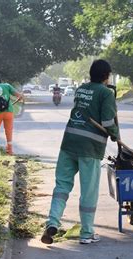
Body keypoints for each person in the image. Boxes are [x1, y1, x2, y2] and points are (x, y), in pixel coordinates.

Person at [41, 59, 120, 245]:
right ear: (106, 76)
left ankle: (52, 222)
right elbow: (108, 122)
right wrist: (115, 135)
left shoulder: (81, 89)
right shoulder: (106, 93)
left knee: (61, 186)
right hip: (90, 148)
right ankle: (86, 233)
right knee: (88, 191)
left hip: (69, 143)